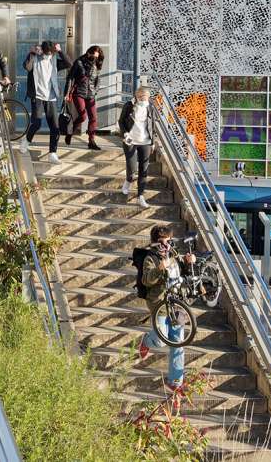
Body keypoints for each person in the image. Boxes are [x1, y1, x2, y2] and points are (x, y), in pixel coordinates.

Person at [136, 225, 195, 390]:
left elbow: (182, 270)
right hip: (159, 303)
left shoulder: (174, 255)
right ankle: (147, 341)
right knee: (161, 340)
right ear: (155, 242)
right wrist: (159, 269)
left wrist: (189, 261)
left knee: (178, 341)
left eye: (169, 241)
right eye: (162, 242)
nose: (166, 245)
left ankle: (175, 382)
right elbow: (146, 280)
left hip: (177, 303)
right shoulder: (150, 258)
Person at [21, 40, 69, 164]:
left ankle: (52, 153)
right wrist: (31, 53)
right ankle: (26, 140)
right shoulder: (35, 59)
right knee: (36, 123)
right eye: (47, 52)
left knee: (55, 126)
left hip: (51, 97)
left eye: (51, 52)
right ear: (42, 50)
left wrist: (60, 51)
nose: (48, 55)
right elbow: (27, 67)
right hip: (37, 95)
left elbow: (69, 63)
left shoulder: (54, 61)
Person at [118, 86, 154, 208]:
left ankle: (140, 196)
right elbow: (121, 121)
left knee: (144, 170)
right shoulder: (129, 105)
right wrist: (125, 133)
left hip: (145, 141)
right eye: (140, 97)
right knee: (132, 167)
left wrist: (152, 142)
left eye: (145, 98)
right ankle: (128, 180)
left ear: (148, 97)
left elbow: (151, 125)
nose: (143, 100)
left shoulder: (150, 107)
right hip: (130, 140)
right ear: (136, 96)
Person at [64, 45, 104, 150]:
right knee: (82, 116)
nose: (95, 59)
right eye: (93, 57)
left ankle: (91, 141)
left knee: (93, 118)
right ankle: (70, 132)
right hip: (79, 93)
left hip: (91, 94)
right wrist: (67, 93)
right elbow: (70, 78)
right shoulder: (79, 62)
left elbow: (98, 80)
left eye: (97, 57)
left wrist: (95, 91)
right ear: (88, 53)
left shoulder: (96, 64)